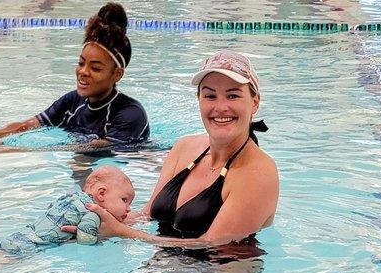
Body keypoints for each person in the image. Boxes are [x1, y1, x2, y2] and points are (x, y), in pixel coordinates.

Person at [64, 49, 279, 247]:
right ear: (199, 100)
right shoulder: (184, 148)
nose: (220, 107)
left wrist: (120, 232)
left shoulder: (259, 173)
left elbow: (210, 243)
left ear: (255, 101)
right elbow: (147, 215)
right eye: (210, 95)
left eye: (233, 95)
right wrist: (95, 218)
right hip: (162, 269)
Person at [0, 2, 149, 151]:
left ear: (117, 74)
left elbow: (95, 149)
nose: (83, 71)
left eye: (95, 68)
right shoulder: (72, 102)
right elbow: (29, 125)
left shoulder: (131, 114)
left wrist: (19, 150)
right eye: (81, 63)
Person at [0, 165, 134, 268]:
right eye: (124, 200)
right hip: (30, 249)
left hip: (21, 236)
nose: (128, 209)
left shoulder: (70, 197)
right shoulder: (92, 213)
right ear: (101, 193)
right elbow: (86, 239)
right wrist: (102, 239)